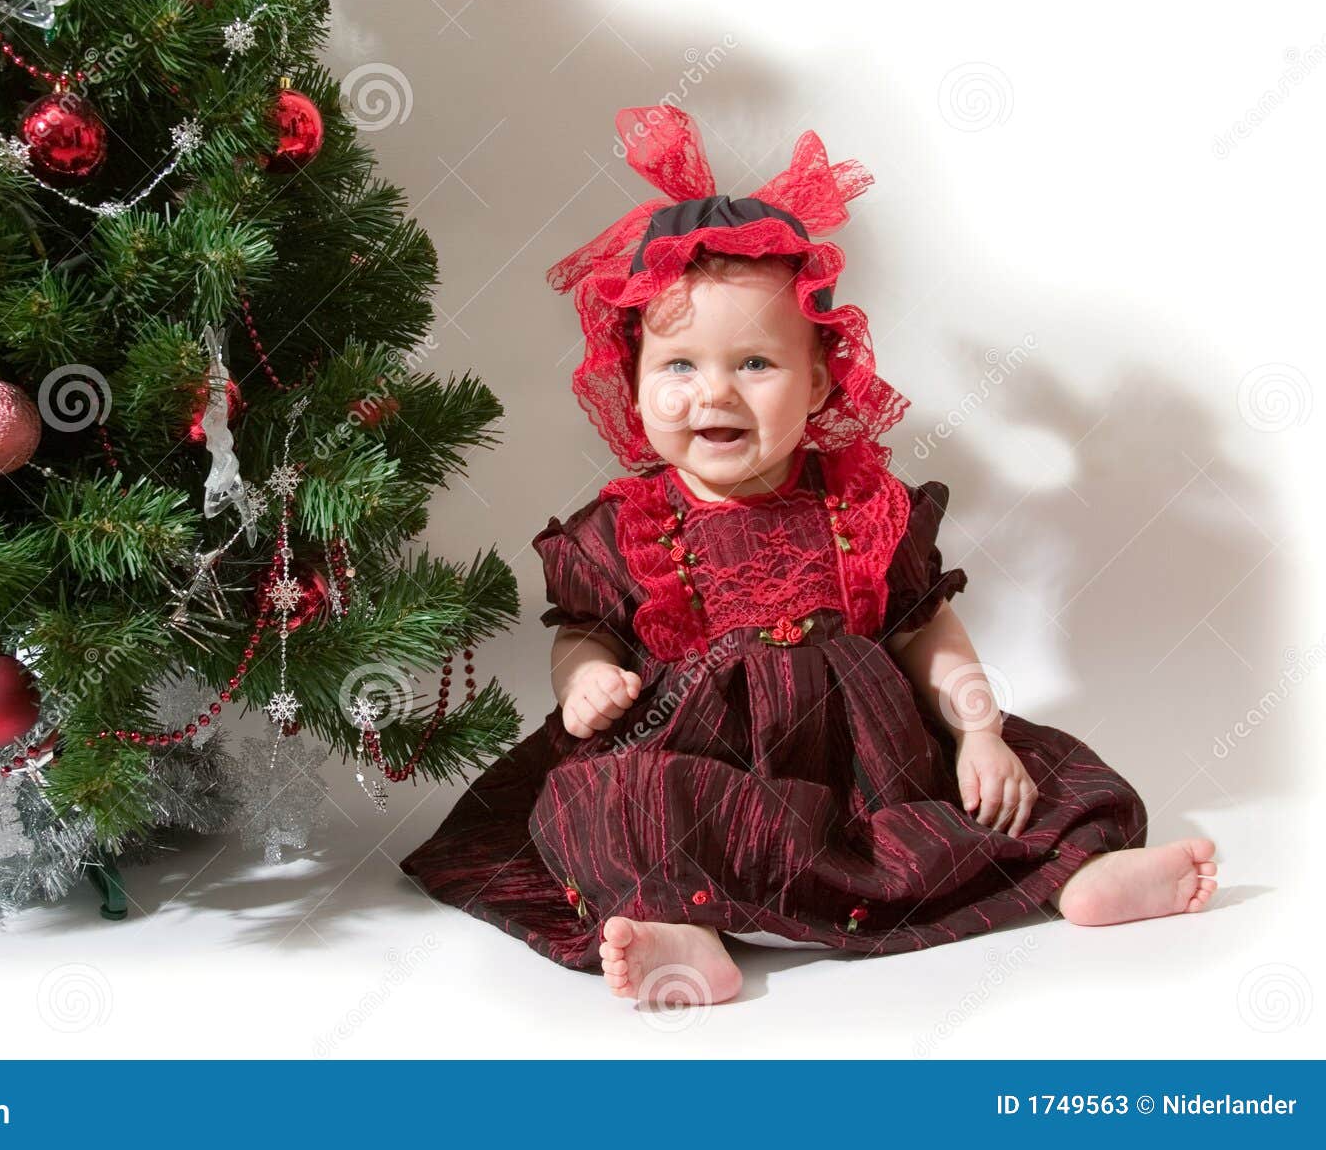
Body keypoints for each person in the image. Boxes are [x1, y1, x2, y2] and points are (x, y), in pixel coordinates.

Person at [399, 104, 1218, 1006]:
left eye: (755, 363)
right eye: (678, 365)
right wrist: (581, 678)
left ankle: (1077, 875)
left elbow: (924, 628)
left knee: (1043, 776)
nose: (714, 390)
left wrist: (978, 729)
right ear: (631, 379)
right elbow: (586, 629)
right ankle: (685, 923)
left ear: (823, 376)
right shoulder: (625, 524)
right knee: (592, 803)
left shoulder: (859, 505)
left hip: (873, 777)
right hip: (706, 776)